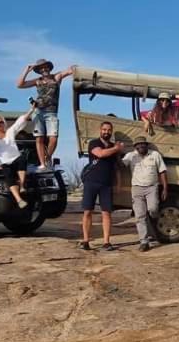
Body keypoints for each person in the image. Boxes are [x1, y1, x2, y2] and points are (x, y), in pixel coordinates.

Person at [16, 59, 75, 170]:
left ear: (49, 67)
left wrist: (74, 68)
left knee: (53, 138)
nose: (44, 69)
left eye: (45, 67)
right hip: (38, 111)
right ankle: (42, 164)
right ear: (39, 71)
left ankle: (47, 158)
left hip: (51, 112)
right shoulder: (37, 81)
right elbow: (20, 85)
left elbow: (69, 71)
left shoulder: (56, 77)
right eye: (41, 68)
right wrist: (26, 70)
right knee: (39, 138)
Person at [80, 121, 123, 251]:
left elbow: (116, 167)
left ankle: (106, 242)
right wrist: (116, 148)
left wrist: (119, 183)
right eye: (104, 129)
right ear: (100, 130)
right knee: (87, 211)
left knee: (107, 213)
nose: (106, 132)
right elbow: (100, 154)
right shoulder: (94, 143)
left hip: (106, 184)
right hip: (91, 182)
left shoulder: (112, 147)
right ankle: (86, 241)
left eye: (109, 130)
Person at [122, 135, 168, 251]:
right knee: (139, 216)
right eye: (138, 145)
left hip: (152, 187)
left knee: (153, 209)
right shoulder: (130, 156)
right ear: (135, 147)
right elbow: (121, 165)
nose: (141, 146)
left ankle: (152, 224)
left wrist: (165, 188)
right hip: (137, 188)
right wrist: (116, 152)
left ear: (146, 145)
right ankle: (144, 241)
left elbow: (162, 171)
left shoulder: (155, 155)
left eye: (143, 144)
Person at [0, 109, 34, 210]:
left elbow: (20, 121)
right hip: (4, 163)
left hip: (16, 159)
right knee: (7, 173)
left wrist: (32, 110)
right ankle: (19, 200)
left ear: (4, 123)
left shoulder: (10, 133)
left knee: (22, 159)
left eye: (1, 122)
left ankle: (22, 186)